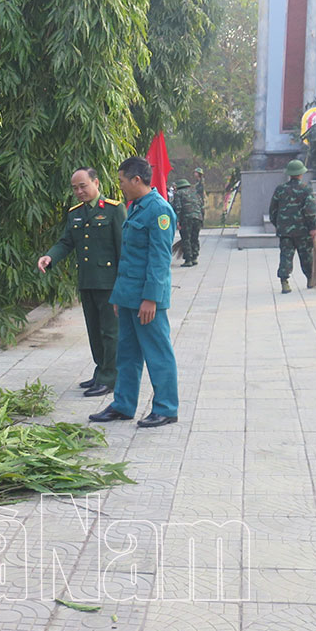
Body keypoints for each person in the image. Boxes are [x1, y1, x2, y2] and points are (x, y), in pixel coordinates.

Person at [89, 156, 180, 429]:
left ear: (136, 180)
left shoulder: (159, 211)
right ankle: (123, 404)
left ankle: (166, 408)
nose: (121, 186)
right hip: (128, 297)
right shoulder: (137, 207)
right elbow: (128, 257)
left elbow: (159, 259)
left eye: (122, 181)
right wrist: (119, 296)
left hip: (146, 299)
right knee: (126, 353)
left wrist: (150, 298)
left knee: (157, 352)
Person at [37, 168, 125, 397]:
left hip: (109, 283)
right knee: (94, 331)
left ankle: (110, 377)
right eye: (75, 188)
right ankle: (101, 371)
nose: (79, 191)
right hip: (87, 281)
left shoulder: (114, 210)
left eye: (83, 186)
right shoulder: (75, 213)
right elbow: (66, 242)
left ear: (96, 182)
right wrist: (50, 257)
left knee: (110, 332)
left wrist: (123, 284)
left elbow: (123, 249)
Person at [270, 159, 316, 293]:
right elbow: (310, 211)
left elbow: (273, 211)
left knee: (286, 256)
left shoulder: (280, 189)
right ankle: (310, 279)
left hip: (285, 231)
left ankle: (284, 282)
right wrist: (313, 227)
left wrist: (279, 225)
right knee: (306, 256)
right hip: (303, 231)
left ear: (289, 174)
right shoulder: (306, 189)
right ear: (301, 174)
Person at [172, 179, 203, 267]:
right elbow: (201, 205)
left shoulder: (179, 193)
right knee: (195, 238)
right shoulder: (195, 193)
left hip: (186, 218)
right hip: (198, 218)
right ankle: (195, 258)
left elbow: (178, 207)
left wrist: (177, 221)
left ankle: (188, 260)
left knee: (186, 238)